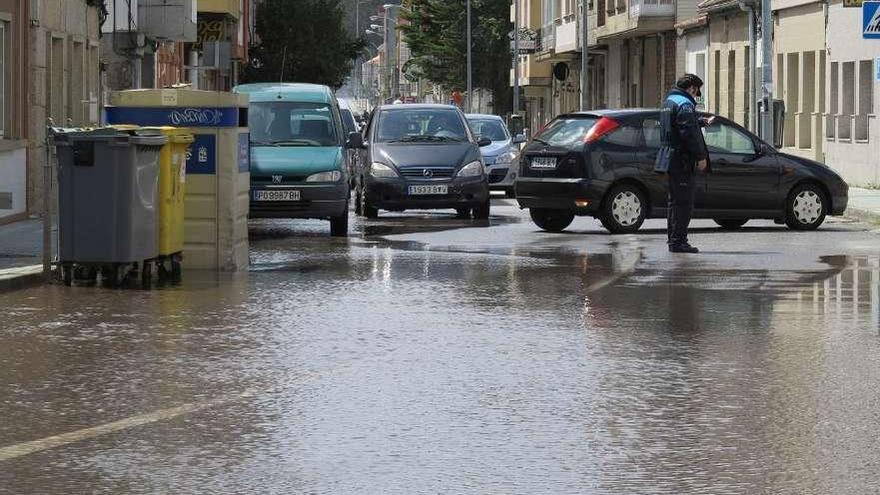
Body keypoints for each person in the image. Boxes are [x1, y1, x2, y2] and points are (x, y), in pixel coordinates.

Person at [660, 74, 714, 254]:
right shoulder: (685, 104)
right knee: (683, 203)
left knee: (673, 203)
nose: (697, 93)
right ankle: (678, 241)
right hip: (682, 160)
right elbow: (689, 133)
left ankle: (673, 240)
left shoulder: (669, 101)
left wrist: (700, 122)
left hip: (669, 158)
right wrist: (701, 156)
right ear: (691, 87)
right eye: (697, 90)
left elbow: (678, 126)